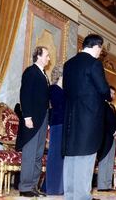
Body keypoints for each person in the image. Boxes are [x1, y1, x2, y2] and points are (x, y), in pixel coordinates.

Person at [62, 34, 110, 200]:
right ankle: (82, 196)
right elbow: (104, 89)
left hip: (70, 115)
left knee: (71, 155)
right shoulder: (94, 64)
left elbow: (66, 90)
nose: (100, 52)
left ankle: (69, 195)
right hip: (89, 117)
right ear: (96, 46)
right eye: (100, 49)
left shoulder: (68, 64)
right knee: (86, 155)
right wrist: (107, 95)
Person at [16, 46, 50, 198]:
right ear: (39, 56)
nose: (48, 58)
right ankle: (25, 187)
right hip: (32, 119)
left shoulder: (44, 75)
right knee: (30, 154)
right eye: (47, 55)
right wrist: (27, 117)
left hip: (42, 119)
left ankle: (33, 186)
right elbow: (25, 94)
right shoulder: (31, 71)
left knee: (38, 154)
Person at [97, 86, 116, 192]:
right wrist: (114, 131)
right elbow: (105, 121)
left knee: (110, 161)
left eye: (114, 93)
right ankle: (102, 186)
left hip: (113, 137)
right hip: (105, 137)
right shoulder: (101, 104)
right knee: (104, 160)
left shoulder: (112, 106)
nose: (112, 95)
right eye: (111, 93)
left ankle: (107, 185)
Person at [45, 65, 65, 195]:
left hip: (62, 125)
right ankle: (52, 187)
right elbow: (59, 107)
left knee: (61, 156)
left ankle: (59, 187)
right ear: (61, 75)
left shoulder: (63, 90)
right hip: (57, 124)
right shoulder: (53, 89)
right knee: (55, 156)